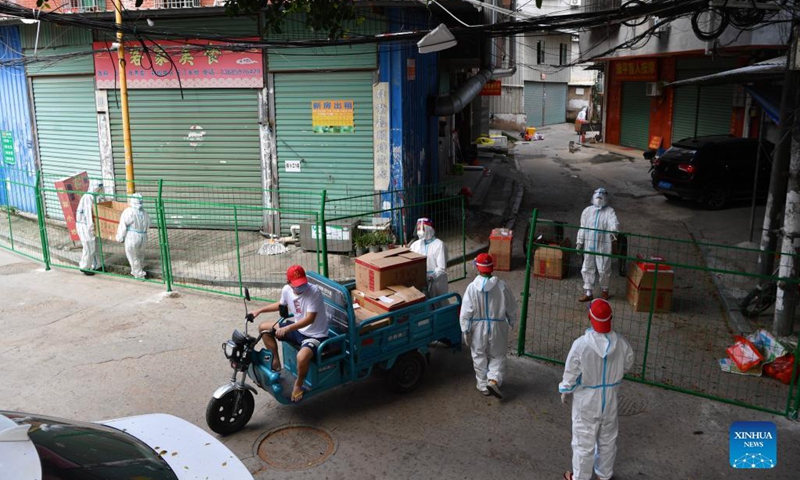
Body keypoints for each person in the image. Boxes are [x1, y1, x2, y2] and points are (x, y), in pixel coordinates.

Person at [559, 298, 634, 480]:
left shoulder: (581, 345)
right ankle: (604, 475)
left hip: (586, 399)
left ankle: (580, 478)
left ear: (589, 317)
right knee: (608, 439)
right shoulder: (622, 344)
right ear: (611, 319)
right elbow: (628, 364)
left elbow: (571, 371)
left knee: (583, 442)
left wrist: (565, 389)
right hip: (609, 399)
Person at [252, 265, 329, 402]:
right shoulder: (287, 290)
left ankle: (298, 385)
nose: (301, 287)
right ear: (288, 283)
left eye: (303, 283)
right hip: (297, 330)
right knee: (264, 328)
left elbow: (309, 319)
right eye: (297, 285)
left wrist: (287, 329)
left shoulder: (314, 292)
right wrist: (260, 310)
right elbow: (281, 305)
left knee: (301, 357)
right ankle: (275, 362)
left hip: (315, 335)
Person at [459, 253, 517, 398]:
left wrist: (465, 329)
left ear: (478, 268)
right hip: (498, 326)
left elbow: (466, 311)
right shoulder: (502, 286)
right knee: (497, 355)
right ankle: (494, 379)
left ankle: (483, 386)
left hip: (477, 327)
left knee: (479, 355)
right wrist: (511, 319)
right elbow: (511, 306)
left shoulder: (471, 288)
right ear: (491, 268)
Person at [576, 188, 620, 302]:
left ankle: (605, 291)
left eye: (602, 194)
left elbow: (613, 222)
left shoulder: (609, 211)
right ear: (593, 196)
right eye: (597, 194)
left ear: (606, 197)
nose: (599, 196)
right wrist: (579, 242)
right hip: (589, 244)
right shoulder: (587, 211)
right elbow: (582, 227)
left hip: (603, 245)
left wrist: (614, 229)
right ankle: (588, 292)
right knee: (587, 267)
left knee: (604, 268)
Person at [409, 218, 448, 301]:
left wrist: (432, 277)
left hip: (436, 281)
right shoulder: (415, 245)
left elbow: (442, 268)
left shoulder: (439, 245)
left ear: (428, 229)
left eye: (422, 228)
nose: (419, 231)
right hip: (420, 281)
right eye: (418, 228)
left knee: (440, 303)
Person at [116, 193, 151, 279]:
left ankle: (139, 274)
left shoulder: (129, 211)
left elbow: (123, 226)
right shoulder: (145, 213)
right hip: (143, 236)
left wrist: (120, 237)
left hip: (133, 236)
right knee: (140, 254)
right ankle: (140, 269)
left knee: (133, 256)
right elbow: (149, 224)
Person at [75, 180, 104, 275]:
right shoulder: (88, 197)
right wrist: (91, 227)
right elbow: (88, 214)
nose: (99, 190)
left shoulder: (94, 196)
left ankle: (97, 265)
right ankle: (85, 267)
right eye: (98, 188)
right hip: (84, 224)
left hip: (91, 224)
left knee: (96, 245)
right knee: (88, 246)